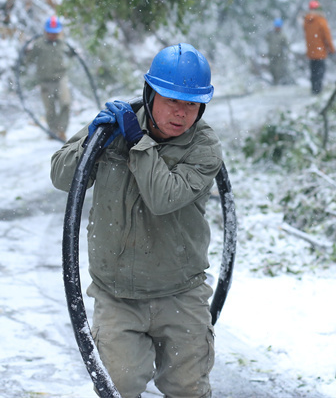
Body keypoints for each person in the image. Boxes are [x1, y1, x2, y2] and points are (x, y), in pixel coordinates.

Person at [50, 43, 222, 398]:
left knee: (188, 389)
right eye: (171, 100)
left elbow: (163, 197)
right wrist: (91, 146)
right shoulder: (117, 125)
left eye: (191, 103)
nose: (181, 113)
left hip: (181, 292)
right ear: (150, 94)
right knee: (119, 387)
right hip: (118, 296)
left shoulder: (202, 148)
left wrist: (138, 142)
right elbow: (62, 177)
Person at [31, 15, 71, 140]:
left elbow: (71, 54)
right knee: (50, 109)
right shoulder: (38, 45)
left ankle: (61, 130)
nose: (52, 35)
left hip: (60, 78)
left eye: (55, 33)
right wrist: (27, 51)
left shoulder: (63, 44)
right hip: (45, 81)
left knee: (65, 103)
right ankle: (53, 132)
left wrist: (76, 52)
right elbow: (28, 59)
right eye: (50, 33)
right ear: (45, 31)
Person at [302, 0, 336, 94]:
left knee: (313, 71)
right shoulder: (321, 21)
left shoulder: (306, 21)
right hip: (320, 52)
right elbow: (327, 37)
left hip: (311, 51)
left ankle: (314, 89)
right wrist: (332, 49)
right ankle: (318, 89)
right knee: (320, 71)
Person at [265, 17, 290, 85]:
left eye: (278, 27)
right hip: (271, 54)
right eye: (276, 26)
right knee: (271, 68)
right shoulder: (271, 34)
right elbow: (266, 39)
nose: (277, 28)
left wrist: (288, 51)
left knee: (278, 69)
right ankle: (274, 80)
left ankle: (277, 81)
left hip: (279, 55)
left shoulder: (282, 35)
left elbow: (287, 44)